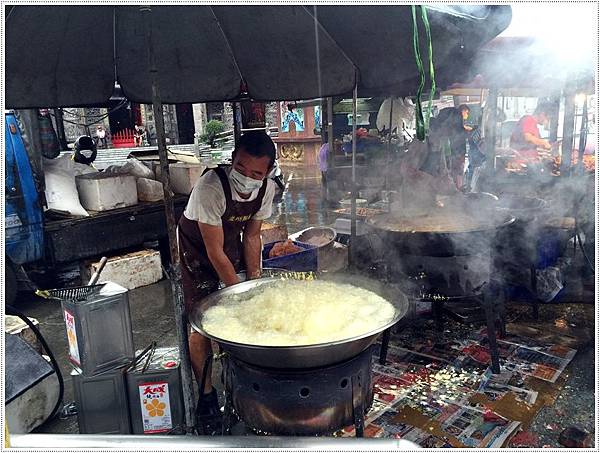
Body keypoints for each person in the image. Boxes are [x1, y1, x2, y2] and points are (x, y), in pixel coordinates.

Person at [177, 131, 276, 433]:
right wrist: (238, 293)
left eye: (256, 173)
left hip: (229, 244)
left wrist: (254, 283)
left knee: (245, 307)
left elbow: (253, 236)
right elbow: (213, 251)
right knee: (202, 322)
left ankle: (241, 381)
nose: (248, 177)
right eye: (242, 168)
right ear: (233, 159)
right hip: (196, 251)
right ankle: (206, 393)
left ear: (268, 172)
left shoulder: (266, 188)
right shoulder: (211, 187)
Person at [318, 133, 329, 199]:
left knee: (325, 183)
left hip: (323, 168)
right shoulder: (328, 147)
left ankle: (325, 198)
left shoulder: (323, 147)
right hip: (326, 168)